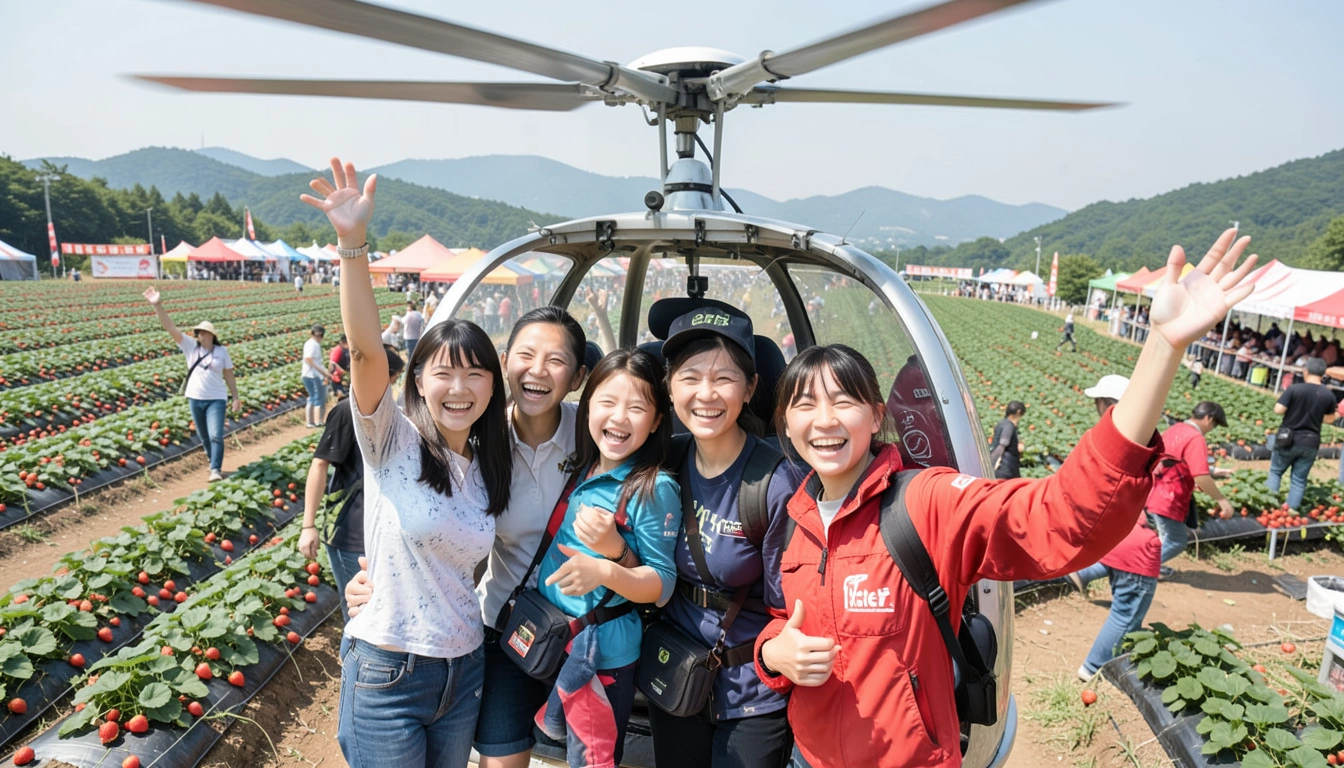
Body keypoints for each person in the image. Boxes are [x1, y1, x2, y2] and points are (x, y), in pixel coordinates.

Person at [752, 228, 1258, 768]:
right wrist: (772, 651)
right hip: (807, 757)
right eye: (804, 404)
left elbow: (1060, 515)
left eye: (843, 400)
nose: (824, 420)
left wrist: (1162, 348)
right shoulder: (795, 516)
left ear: (878, 416)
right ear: (785, 422)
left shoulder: (924, 504)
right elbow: (787, 615)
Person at [302, 157, 513, 767]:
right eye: (443, 370)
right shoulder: (389, 439)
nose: (459, 386)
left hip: (464, 669)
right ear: (416, 379)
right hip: (390, 670)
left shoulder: (485, 464)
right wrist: (352, 244)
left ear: (491, 387)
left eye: (475, 372)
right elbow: (368, 350)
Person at [345, 306, 594, 768]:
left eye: (555, 360)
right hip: (504, 631)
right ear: (506, 363)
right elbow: (364, 353)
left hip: (580, 635)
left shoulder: (597, 434)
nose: (538, 370)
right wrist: (377, 577)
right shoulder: (477, 442)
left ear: (578, 376)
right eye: (526, 354)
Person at [648, 307, 797, 768]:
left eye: (724, 378)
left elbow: (788, 607)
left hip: (752, 693)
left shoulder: (773, 484)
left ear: (751, 388)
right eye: (690, 377)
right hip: (675, 674)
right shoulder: (663, 463)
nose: (706, 394)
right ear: (670, 388)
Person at [533, 347, 680, 768]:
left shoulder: (653, 488)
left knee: (594, 761)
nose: (618, 418)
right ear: (586, 406)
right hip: (559, 638)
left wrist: (605, 566)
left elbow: (662, 586)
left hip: (601, 655)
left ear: (655, 422)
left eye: (636, 408)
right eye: (607, 402)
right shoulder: (584, 467)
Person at [1063, 375, 1162, 681]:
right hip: (1137, 542)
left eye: (1098, 401)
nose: (1096, 407)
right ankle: (1094, 668)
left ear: (1108, 403)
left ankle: (1084, 572)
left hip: (1118, 536)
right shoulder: (1137, 443)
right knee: (1126, 611)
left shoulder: (1104, 439)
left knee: (1123, 603)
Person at [299, 344, 405, 621]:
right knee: (361, 617)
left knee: (380, 612)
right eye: (393, 378)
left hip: (383, 531)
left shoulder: (396, 413)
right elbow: (320, 464)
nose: (393, 386)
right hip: (351, 533)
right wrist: (308, 526)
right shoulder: (347, 411)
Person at [144, 287, 241, 483]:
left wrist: (236, 397)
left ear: (211, 335)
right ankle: (211, 458)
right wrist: (158, 305)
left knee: (215, 434)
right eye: (198, 333)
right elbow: (170, 328)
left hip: (216, 399)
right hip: (195, 398)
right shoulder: (190, 347)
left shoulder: (222, 352)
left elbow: (229, 375)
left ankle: (215, 469)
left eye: (203, 333)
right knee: (204, 436)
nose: (200, 336)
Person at [1147, 400, 1233, 578]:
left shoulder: (1175, 429)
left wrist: (1216, 471)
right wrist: (1222, 501)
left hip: (1155, 490)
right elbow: (1200, 476)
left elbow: (1180, 460)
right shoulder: (1195, 437)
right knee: (1176, 541)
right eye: (1215, 424)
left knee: (1163, 537)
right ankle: (1141, 568)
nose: (1213, 428)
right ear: (1208, 418)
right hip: (1169, 497)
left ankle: (1149, 567)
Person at [1266, 357, 1337, 510]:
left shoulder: (1295, 389)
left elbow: (1278, 410)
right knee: (1299, 479)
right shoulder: (1328, 395)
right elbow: (1330, 419)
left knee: (1276, 472)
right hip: (1311, 442)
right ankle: (1291, 510)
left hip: (1288, 439)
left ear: (1306, 371)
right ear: (1323, 374)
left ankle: (1269, 507)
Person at [302, 325, 333, 428]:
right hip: (313, 375)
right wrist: (323, 372)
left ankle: (310, 422)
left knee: (312, 398)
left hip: (308, 374)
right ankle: (318, 421)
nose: (319, 337)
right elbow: (308, 359)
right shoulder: (313, 345)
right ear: (312, 334)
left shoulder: (311, 344)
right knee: (319, 398)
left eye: (321, 335)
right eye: (317, 335)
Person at [990, 401, 1026, 480]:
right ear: (1018, 412)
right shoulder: (1009, 426)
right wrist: (993, 462)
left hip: (1004, 468)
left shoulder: (1001, 423)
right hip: (1006, 468)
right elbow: (1003, 443)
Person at [329, 334, 351, 399]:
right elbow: (333, 362)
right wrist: (343, 371)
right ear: (344, 342)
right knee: (342, 395)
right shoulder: (337, 350)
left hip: (344, 376)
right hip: (337, 377)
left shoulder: (346, 349)